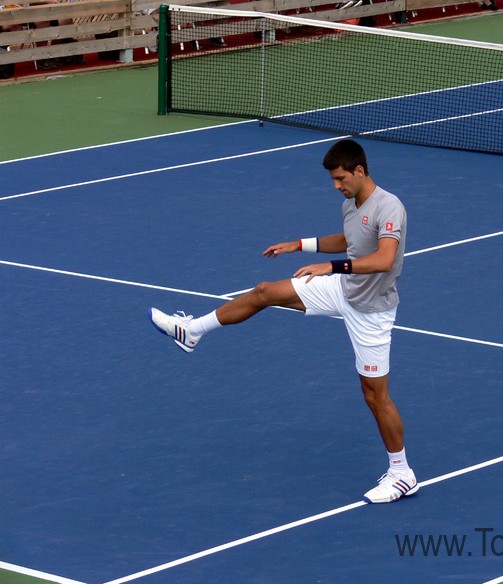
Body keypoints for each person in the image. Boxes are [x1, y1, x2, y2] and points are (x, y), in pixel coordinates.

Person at [149, 140, 418, 505]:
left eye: (339, 178)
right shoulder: (350, 204)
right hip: (345, 288)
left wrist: (331, 266)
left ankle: (402, 474)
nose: (335, 185)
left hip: (371, 310)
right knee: (264, 292)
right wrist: (299, 244)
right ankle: (191, 331)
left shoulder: (390, 207)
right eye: (332, 180)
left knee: (374, 394)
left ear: (359, 170)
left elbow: (385, 259)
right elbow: (350, 240)